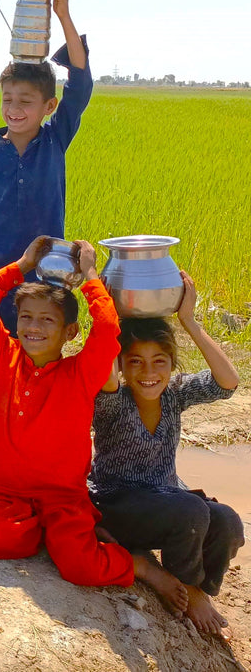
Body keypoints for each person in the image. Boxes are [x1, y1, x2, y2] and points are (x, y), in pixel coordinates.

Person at [0, 236, 187, 609]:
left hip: (61, 496)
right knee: (4, 544)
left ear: (70, 332)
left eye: (47, 320)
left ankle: (138, 566)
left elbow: (107, 330)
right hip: (2, 489)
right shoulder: (4, 356)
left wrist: (91, 274)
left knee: (79, 566)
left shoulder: (81, 374)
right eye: (26, 317)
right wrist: (24, 264)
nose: (34, 327)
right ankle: (50, 530)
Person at [0, 0, 92, 432]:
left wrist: (64, 13)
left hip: (48, 274)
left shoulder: (55, 140)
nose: (15, 109)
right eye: (7, 99)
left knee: (42, 350)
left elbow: (82, 82)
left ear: (48, 106)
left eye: (26, 101)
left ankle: (35, 432)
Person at [90, 272, 242, 639]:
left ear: (172, 365)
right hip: (116, 504)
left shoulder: (175, 394)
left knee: (228, 523)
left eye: (159, 362)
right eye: (136, 362)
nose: (148, 373)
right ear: (123, 366)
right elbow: (106, 373)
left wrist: (189, 321)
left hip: (165, 503)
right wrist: (108, 310)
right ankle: (186, 588)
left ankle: (202, 589)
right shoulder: (112, 402)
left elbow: (228, 383)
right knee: (191, 512)